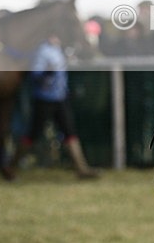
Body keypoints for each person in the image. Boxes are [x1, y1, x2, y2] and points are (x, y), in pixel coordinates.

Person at [7, 34, 98, 179]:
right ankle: (12, 166)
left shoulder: (58, 50)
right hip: (44, 100)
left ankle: (82, 169)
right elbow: (36, 75)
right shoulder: (42, 51)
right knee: (32, 134)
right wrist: (47, 74)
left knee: (69, 132)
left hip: (59, 98)